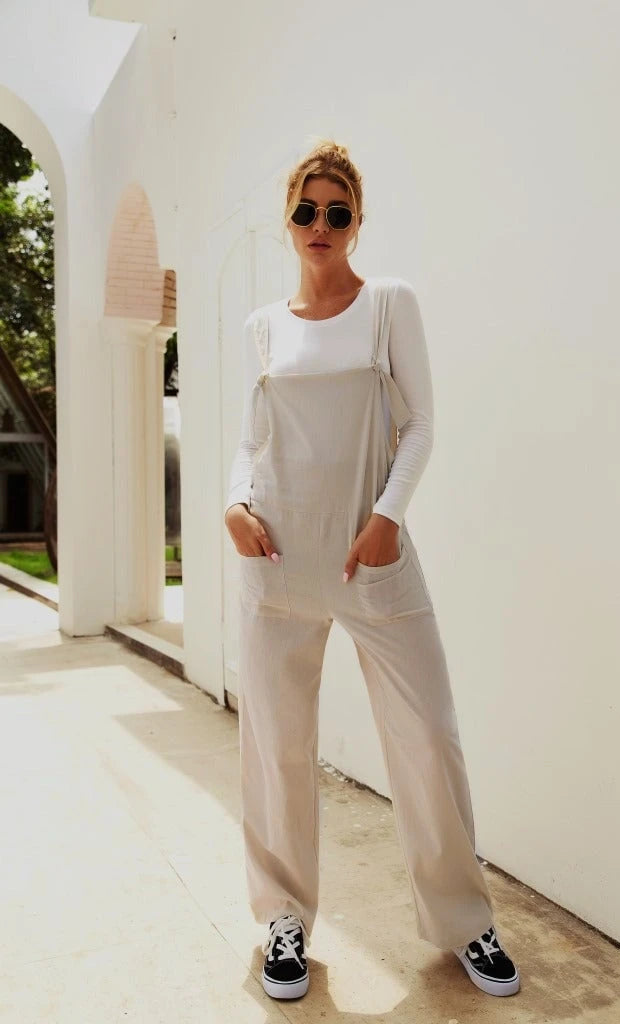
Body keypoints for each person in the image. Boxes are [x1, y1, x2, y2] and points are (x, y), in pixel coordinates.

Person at [224, 139, 520, 1001]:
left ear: (357, 222)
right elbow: (250, 439)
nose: (320, 224)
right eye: (306, 210)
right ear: (288, 220)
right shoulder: (263, 326)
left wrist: (388, 517)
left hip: (371, 556)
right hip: (276, 559)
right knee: (276, 745)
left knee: (427, 735)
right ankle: (284, 919)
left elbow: (420, 422)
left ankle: (465, 920)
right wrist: (235, 503)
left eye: (337, 211)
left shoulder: (389, 304)